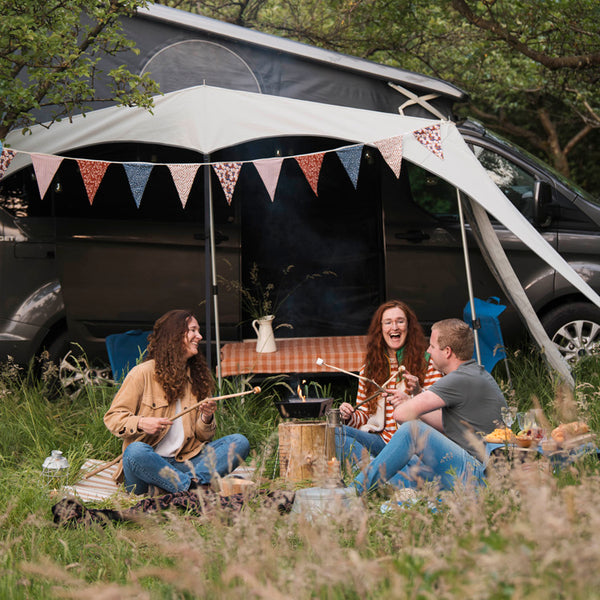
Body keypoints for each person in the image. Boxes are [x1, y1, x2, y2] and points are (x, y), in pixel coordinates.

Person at [352, 318, 507, 493]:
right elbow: (445, 422)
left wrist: (407, 403)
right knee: (404, 465)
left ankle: (353, 492)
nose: (428, 351)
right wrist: (412, 398)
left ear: (447, 351)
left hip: (474, 475)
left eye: (432, 346)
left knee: (412, 430)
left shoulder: (457, 379)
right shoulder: (476, 373)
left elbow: (401, 415)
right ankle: (380, 483)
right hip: (474, 471)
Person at [104, 309, 250, 495]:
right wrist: (141, 422)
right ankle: (192, 488)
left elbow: (204, 438)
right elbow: (113, 417)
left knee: (239, 442)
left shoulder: (198, 378)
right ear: (174, 336)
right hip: (149, 466)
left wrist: (206, 417)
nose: (199, 336)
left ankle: (179, 486)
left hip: (187, 463)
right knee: (135, 451)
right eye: (193, 330)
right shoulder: (142, 374)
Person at [336, 300, 442, 468]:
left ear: (409, 327)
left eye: (400, 321)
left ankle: (377, 473)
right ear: (381, 329)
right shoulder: (369, 368)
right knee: (334, 432)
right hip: (381, 441)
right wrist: (350, 416)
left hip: (412, 443)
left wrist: (415, 396)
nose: (394, 327)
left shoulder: (428, 363)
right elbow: (364, 414)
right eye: (388, 322)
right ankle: (373, 469)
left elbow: (439, 413)